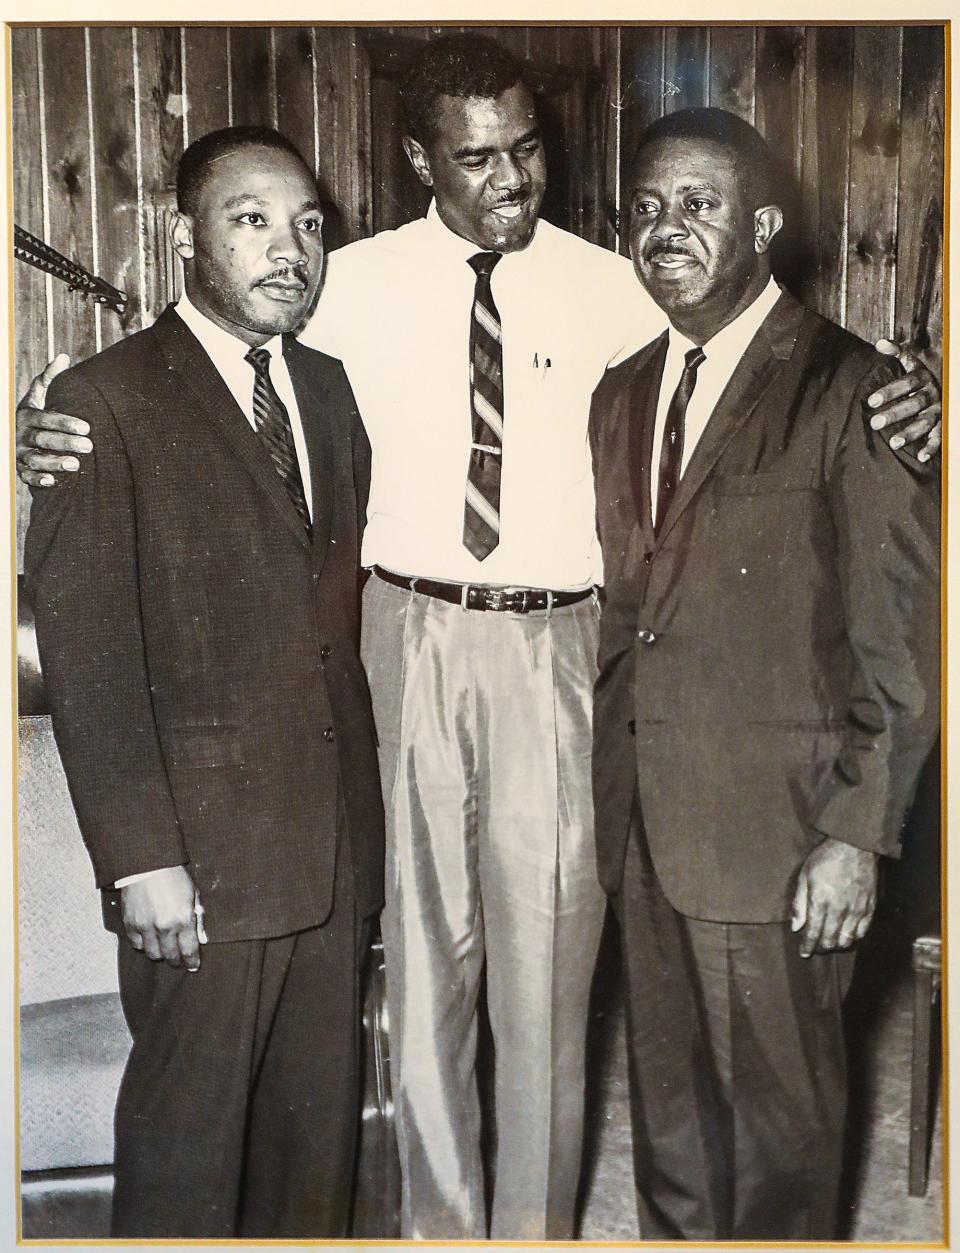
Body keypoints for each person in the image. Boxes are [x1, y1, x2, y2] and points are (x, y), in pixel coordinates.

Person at [15, 34, 941, 1241]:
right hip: (398, 635)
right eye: (475, 158)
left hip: (560, 643)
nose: (509, 180)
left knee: (552, 978)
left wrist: (917, 388)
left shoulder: (622, 280)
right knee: (422, 961)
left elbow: (758, 362)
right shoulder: (341, 274)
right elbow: (207, 349)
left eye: (527, 151)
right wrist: (43, 413)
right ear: (418, 161)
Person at [22, 126, 384, 1239]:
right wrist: (142, 862)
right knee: (187, 1159)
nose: (291, 248)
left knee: (314, 1154)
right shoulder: (102, 400)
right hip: (199, 872)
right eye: (252, 219)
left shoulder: (326, 389)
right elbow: (90, 657)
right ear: (184, 236)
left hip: (328, 856)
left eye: (308, 223)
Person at [589, 107, 940, 1242]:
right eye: (645, 208)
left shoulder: (856, 390)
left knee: (782, 1149)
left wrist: (857, 832)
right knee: (673, 1126)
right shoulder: (621, 391)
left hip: (782, 834)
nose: (665, 229)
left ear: (765, 226)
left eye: (698, 204)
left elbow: (905, 643)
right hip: (644, 823)